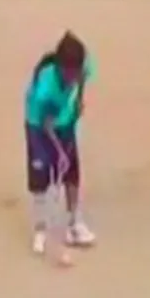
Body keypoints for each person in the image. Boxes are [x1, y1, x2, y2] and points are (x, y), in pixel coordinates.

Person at [24, 31, 97, 255]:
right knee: (41, 174)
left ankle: (74, 223)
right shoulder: (46, 87)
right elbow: (47, 124)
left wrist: (79, 101)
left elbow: (84, 76)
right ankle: (40, 229)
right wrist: (59, 151)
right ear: (62, 69)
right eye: (72, 74)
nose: (75, 77)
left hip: (65, 120)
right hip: (38, 124)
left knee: (72, 171)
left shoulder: (82, 66)